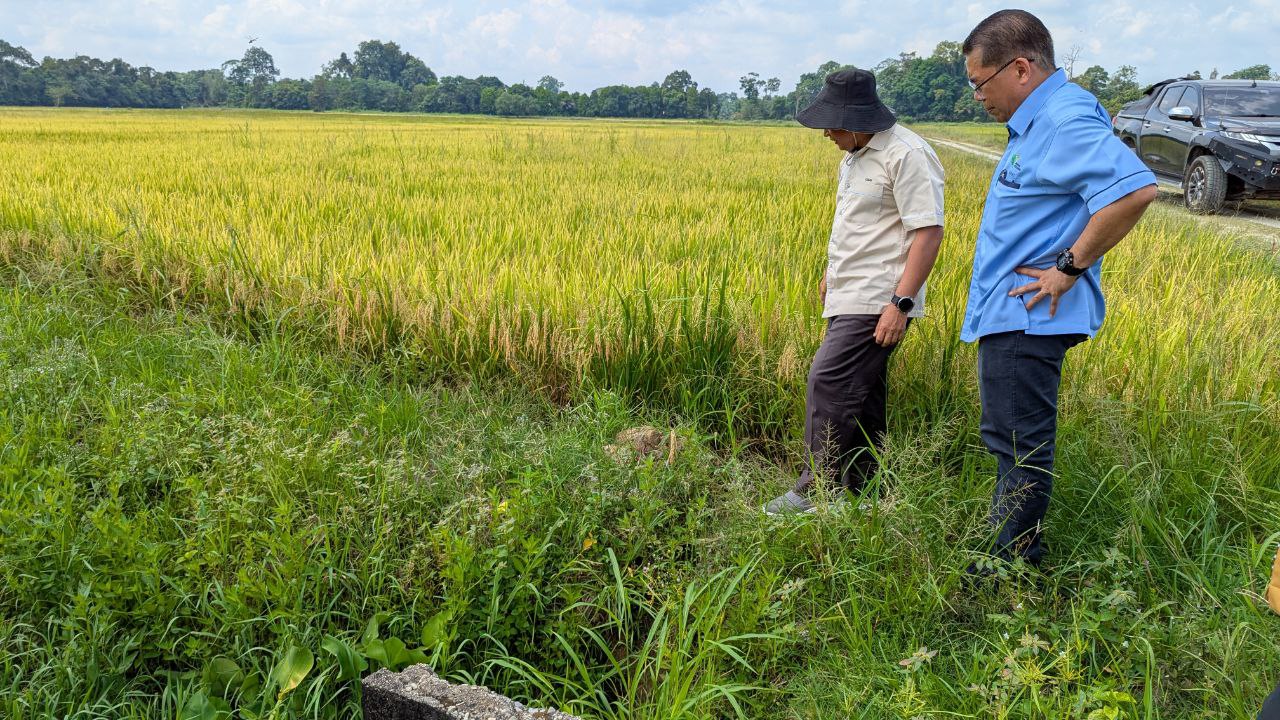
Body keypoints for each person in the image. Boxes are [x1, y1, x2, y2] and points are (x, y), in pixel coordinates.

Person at [958, 9, 1157, 566]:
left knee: (1020, 446)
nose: (977, 96)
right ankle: (1013, 550)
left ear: (1020, 68)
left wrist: (1068, 268)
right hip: (1014, 313)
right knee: (1012, 440)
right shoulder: (1044, 120)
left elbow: (1135, 191)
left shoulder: (1064, 120)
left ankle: (1009, 565)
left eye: (980, 82)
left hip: (1028, 317)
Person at [764, 68, 944, 515]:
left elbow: (927, 232)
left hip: (879, 298)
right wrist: (832, 273)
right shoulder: (855, 154)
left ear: (859, 117)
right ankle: (866, 496)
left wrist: (900, 304)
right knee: (863, 395)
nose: (826, 131)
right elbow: (860, 227)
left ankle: (814, 490)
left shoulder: (906, 154)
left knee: (829, 379)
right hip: (850, 291)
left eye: (832, 122)